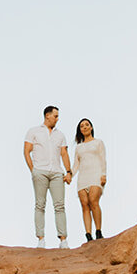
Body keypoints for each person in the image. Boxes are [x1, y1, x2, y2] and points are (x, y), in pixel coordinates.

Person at [23, 104, 72, 248]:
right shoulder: (34, 131)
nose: (57, 119)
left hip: (57, 172)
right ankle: (41, 239)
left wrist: (68, 172)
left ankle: (63, 240)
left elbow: (64, 153)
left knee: (60, 206)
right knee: (40, 205)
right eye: (55, 116)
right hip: (40, 171)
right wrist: (33, 170)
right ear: (47, 115)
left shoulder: (60, 134)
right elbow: (26, 151)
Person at [72, 118, 107, 240]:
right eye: (82, 126)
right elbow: (76, 165)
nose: (85, 127)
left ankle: (98, 231)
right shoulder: (79, 147)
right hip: (83, 178)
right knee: (84, 205)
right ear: (80, 130)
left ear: (91, 127)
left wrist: (103, 174)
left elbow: (103, 159)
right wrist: (69, 175)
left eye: (87, 125)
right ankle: (88, 234)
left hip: (95, 175)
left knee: (93, 200)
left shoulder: (98, 142)